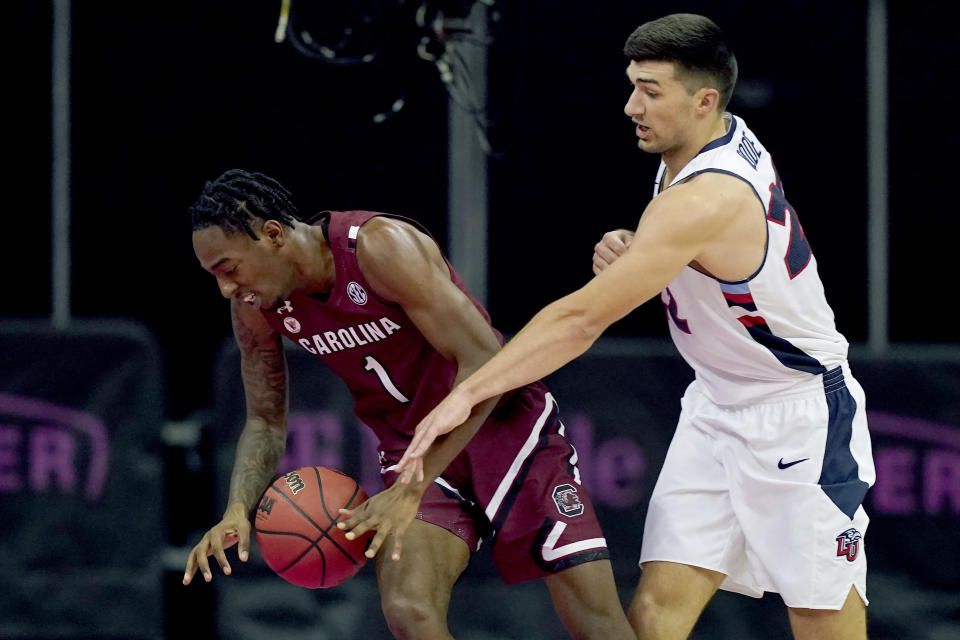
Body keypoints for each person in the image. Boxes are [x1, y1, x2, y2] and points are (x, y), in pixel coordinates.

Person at [372, 13, 876, 640]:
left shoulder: (706, 195)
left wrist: (468, 393)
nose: (631, 105)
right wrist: (648, 252)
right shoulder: (706, 144)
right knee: (654, 617)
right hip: (716, 406)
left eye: (651, 90)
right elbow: (718, 253)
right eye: (633, 84)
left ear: (704, 100)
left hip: (799, 412)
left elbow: (581, 319)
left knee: (824, 624)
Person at [181, 169, 634, 640]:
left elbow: (484, 364)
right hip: (413, 451)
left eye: (228, 269)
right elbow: (265, 420)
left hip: (501, 427)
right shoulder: (255, 306)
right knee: (408, 608)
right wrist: (238, 507)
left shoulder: (379, 247)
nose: (226, 289)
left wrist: (414, 485)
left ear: (272, 234)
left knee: (595, 621)